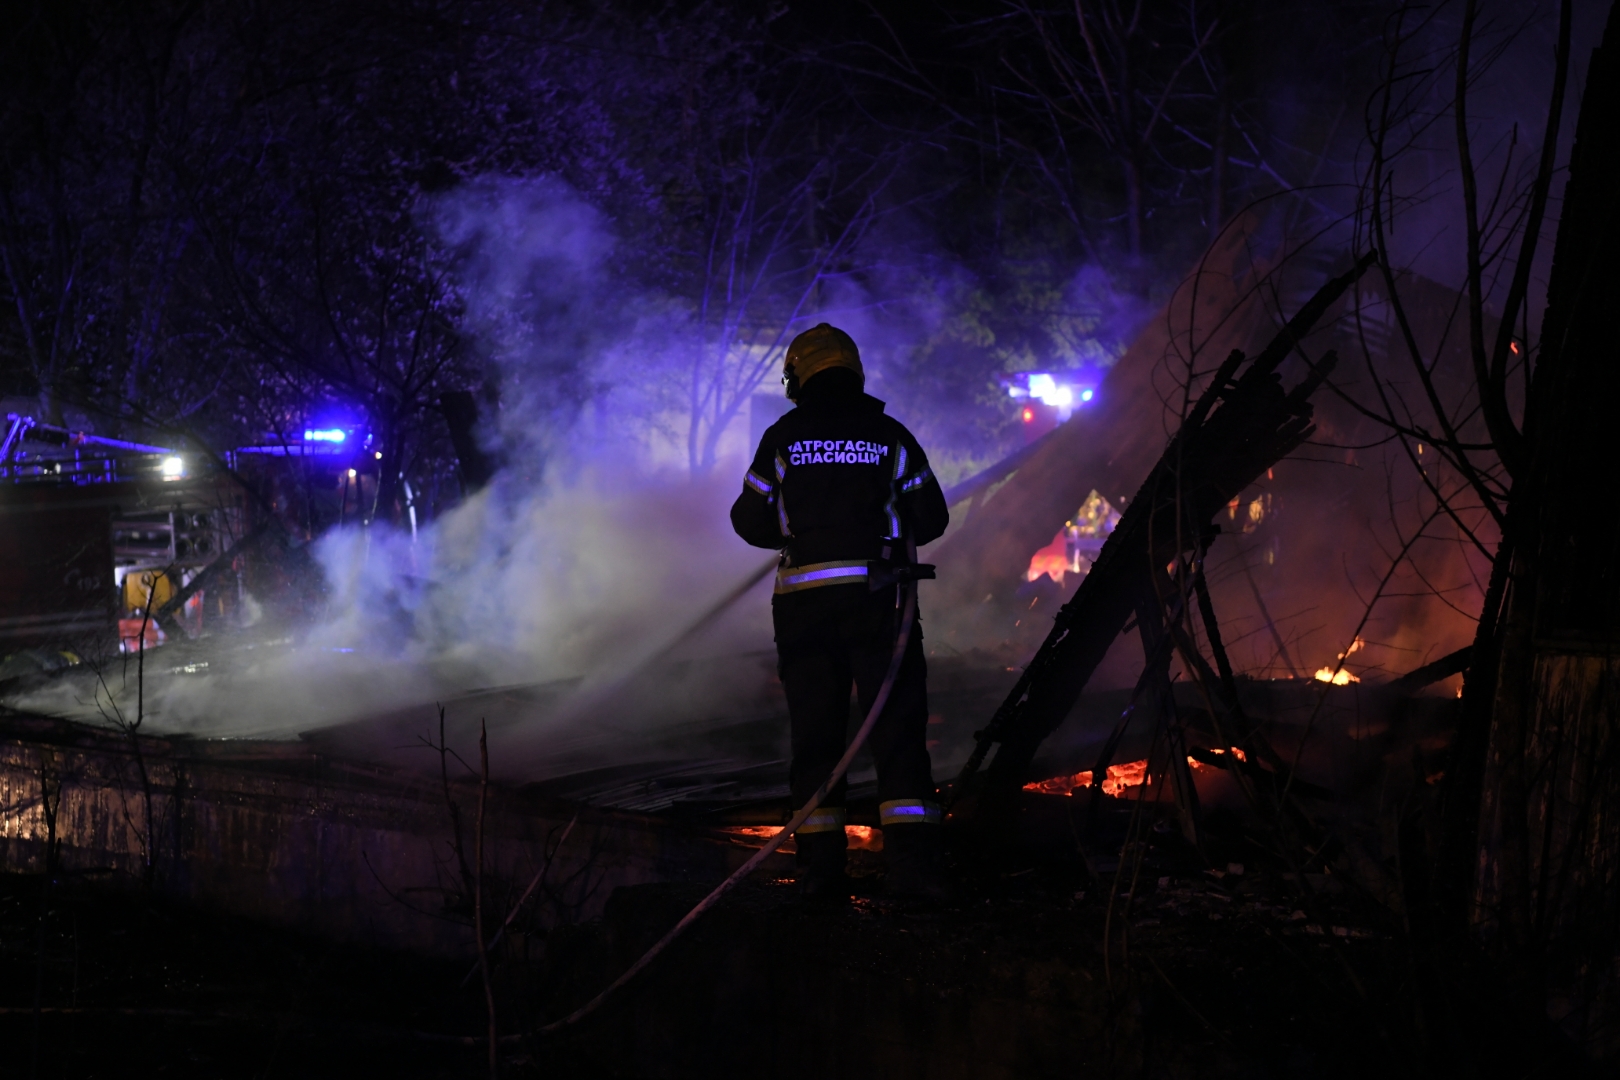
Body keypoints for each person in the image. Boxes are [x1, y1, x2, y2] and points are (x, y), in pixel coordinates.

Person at [729, 323, 950, 899]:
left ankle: (820, 874)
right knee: (897, 734)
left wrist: (803, 531)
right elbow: (932, 520)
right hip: (880, 603)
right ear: (853, 371)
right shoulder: (889, 436)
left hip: (804, 612)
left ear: (798, 376)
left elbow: (748, 520)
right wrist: (880, 529)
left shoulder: (783, 438)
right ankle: (915, 873)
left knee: (817, 739)